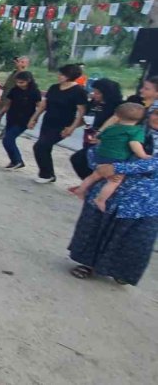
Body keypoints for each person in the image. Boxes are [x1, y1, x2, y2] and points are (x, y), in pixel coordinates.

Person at [67, 108, 158, 285]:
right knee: (95, 225)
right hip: (109, 186)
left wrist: (118, 169)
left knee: (135, 237)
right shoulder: (127, 129)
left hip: (144, 197)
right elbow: (97, 150)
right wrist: (101, 167)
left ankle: (120, 271)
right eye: (156, 113)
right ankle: (87, 264)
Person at [72, 103, 149, 211]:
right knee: (114, 181)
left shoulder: (111, 128)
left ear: (118, 115)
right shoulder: (136, 131)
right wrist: (143, 155)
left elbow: (100, 139)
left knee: (95, 175)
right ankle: (100, 199)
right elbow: (134, 144)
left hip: (101, 156)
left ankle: (81, 190)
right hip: (118, 158)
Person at [29, 64, 88, 183]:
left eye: (62, 74)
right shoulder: (54, 87)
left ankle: (45, 174)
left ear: (70, 76)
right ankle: (49, 174)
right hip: (48, 121)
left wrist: (72, 128)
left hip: (63, 125)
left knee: (40, 146)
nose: (59, 76)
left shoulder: (79, 91)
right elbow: (44, 104)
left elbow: (81, 113)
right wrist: (34, 118)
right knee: (45, 148)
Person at [69, 79, 124, 179]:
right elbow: (85, 119)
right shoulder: (93, 104)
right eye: (94, 91)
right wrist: (71, 128)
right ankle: (87, 185)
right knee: (86, 163)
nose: (94, 95)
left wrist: (99, 133)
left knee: (78, 159)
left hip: (103, 140)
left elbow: (115, 120)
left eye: (98, 93)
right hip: (89, 137)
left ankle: (89, 186)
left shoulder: (116, 106)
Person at [0, 71, 40, 170]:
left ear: (28, 81)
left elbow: (40, 108)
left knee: (8, 139)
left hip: (24, 120)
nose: (19, 84)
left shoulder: (34, 92)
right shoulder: (15, 90)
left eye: (21, 82)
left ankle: (18, 161)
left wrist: (34, 120)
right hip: (11, 117)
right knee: (7, 141)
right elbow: (8, 104)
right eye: (17, 82)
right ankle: (14, 161)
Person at [0, 56, 29, 138]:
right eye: (19, 61)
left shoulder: (24, 74)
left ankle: (4, 133)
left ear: (26, 64)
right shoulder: (14, 72)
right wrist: (0, 84)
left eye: (22, 62)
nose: (18, 63)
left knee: (9, 117)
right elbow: (9, 85)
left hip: (13, 99)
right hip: (5, 96)